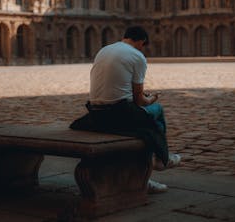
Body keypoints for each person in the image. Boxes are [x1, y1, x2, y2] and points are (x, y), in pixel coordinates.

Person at [72, 26, 181, 193]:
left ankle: (156, 162)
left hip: (95, 112)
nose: (142, 49)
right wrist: (152, 98)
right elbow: (140, 100)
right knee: (156, 114)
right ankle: (159, 160)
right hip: (118, 113)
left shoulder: (104, 50)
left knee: (150, 125)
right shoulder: (138, 56)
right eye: (143, 46)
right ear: (141, 42)